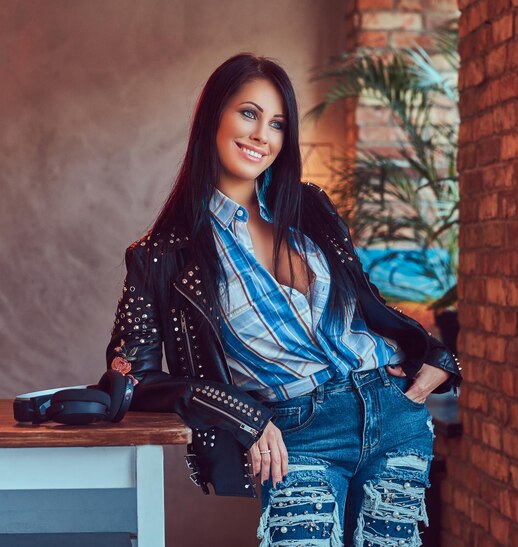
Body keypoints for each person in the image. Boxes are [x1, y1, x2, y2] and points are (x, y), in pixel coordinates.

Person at [106, 52, 462, 546]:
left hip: (395, 414)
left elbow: (364, 304)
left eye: (276, 123)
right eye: (248, 113)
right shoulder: (161, 255)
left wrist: (436, 357)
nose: (261, 136)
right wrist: (242, 414)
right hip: (297, 433)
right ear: (214, 115)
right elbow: (132, 377)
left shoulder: (310, 206)